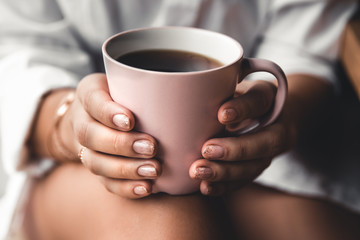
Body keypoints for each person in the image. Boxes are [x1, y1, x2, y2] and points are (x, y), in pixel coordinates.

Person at [1, 0, 360, 239]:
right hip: (75, 161)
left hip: (260, 158)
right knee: (170, 226)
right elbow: (16, 50)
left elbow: (305, 45)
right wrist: (70, 127)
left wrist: (281, 114)